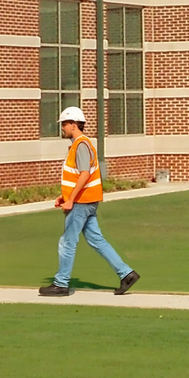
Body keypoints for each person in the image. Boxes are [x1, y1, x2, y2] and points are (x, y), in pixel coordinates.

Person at [40, 106, 140, 297]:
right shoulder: (81, 144)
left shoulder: (81, 145)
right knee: (97, 240)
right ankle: (126, 274)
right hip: (87, 201)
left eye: (64, 124)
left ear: (74, 124)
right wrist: (65, 196)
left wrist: (71, 200)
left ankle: (61, 284)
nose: (62, 128)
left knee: (67, 242)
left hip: (81, 203)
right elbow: (78, 175)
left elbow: (84, 174)